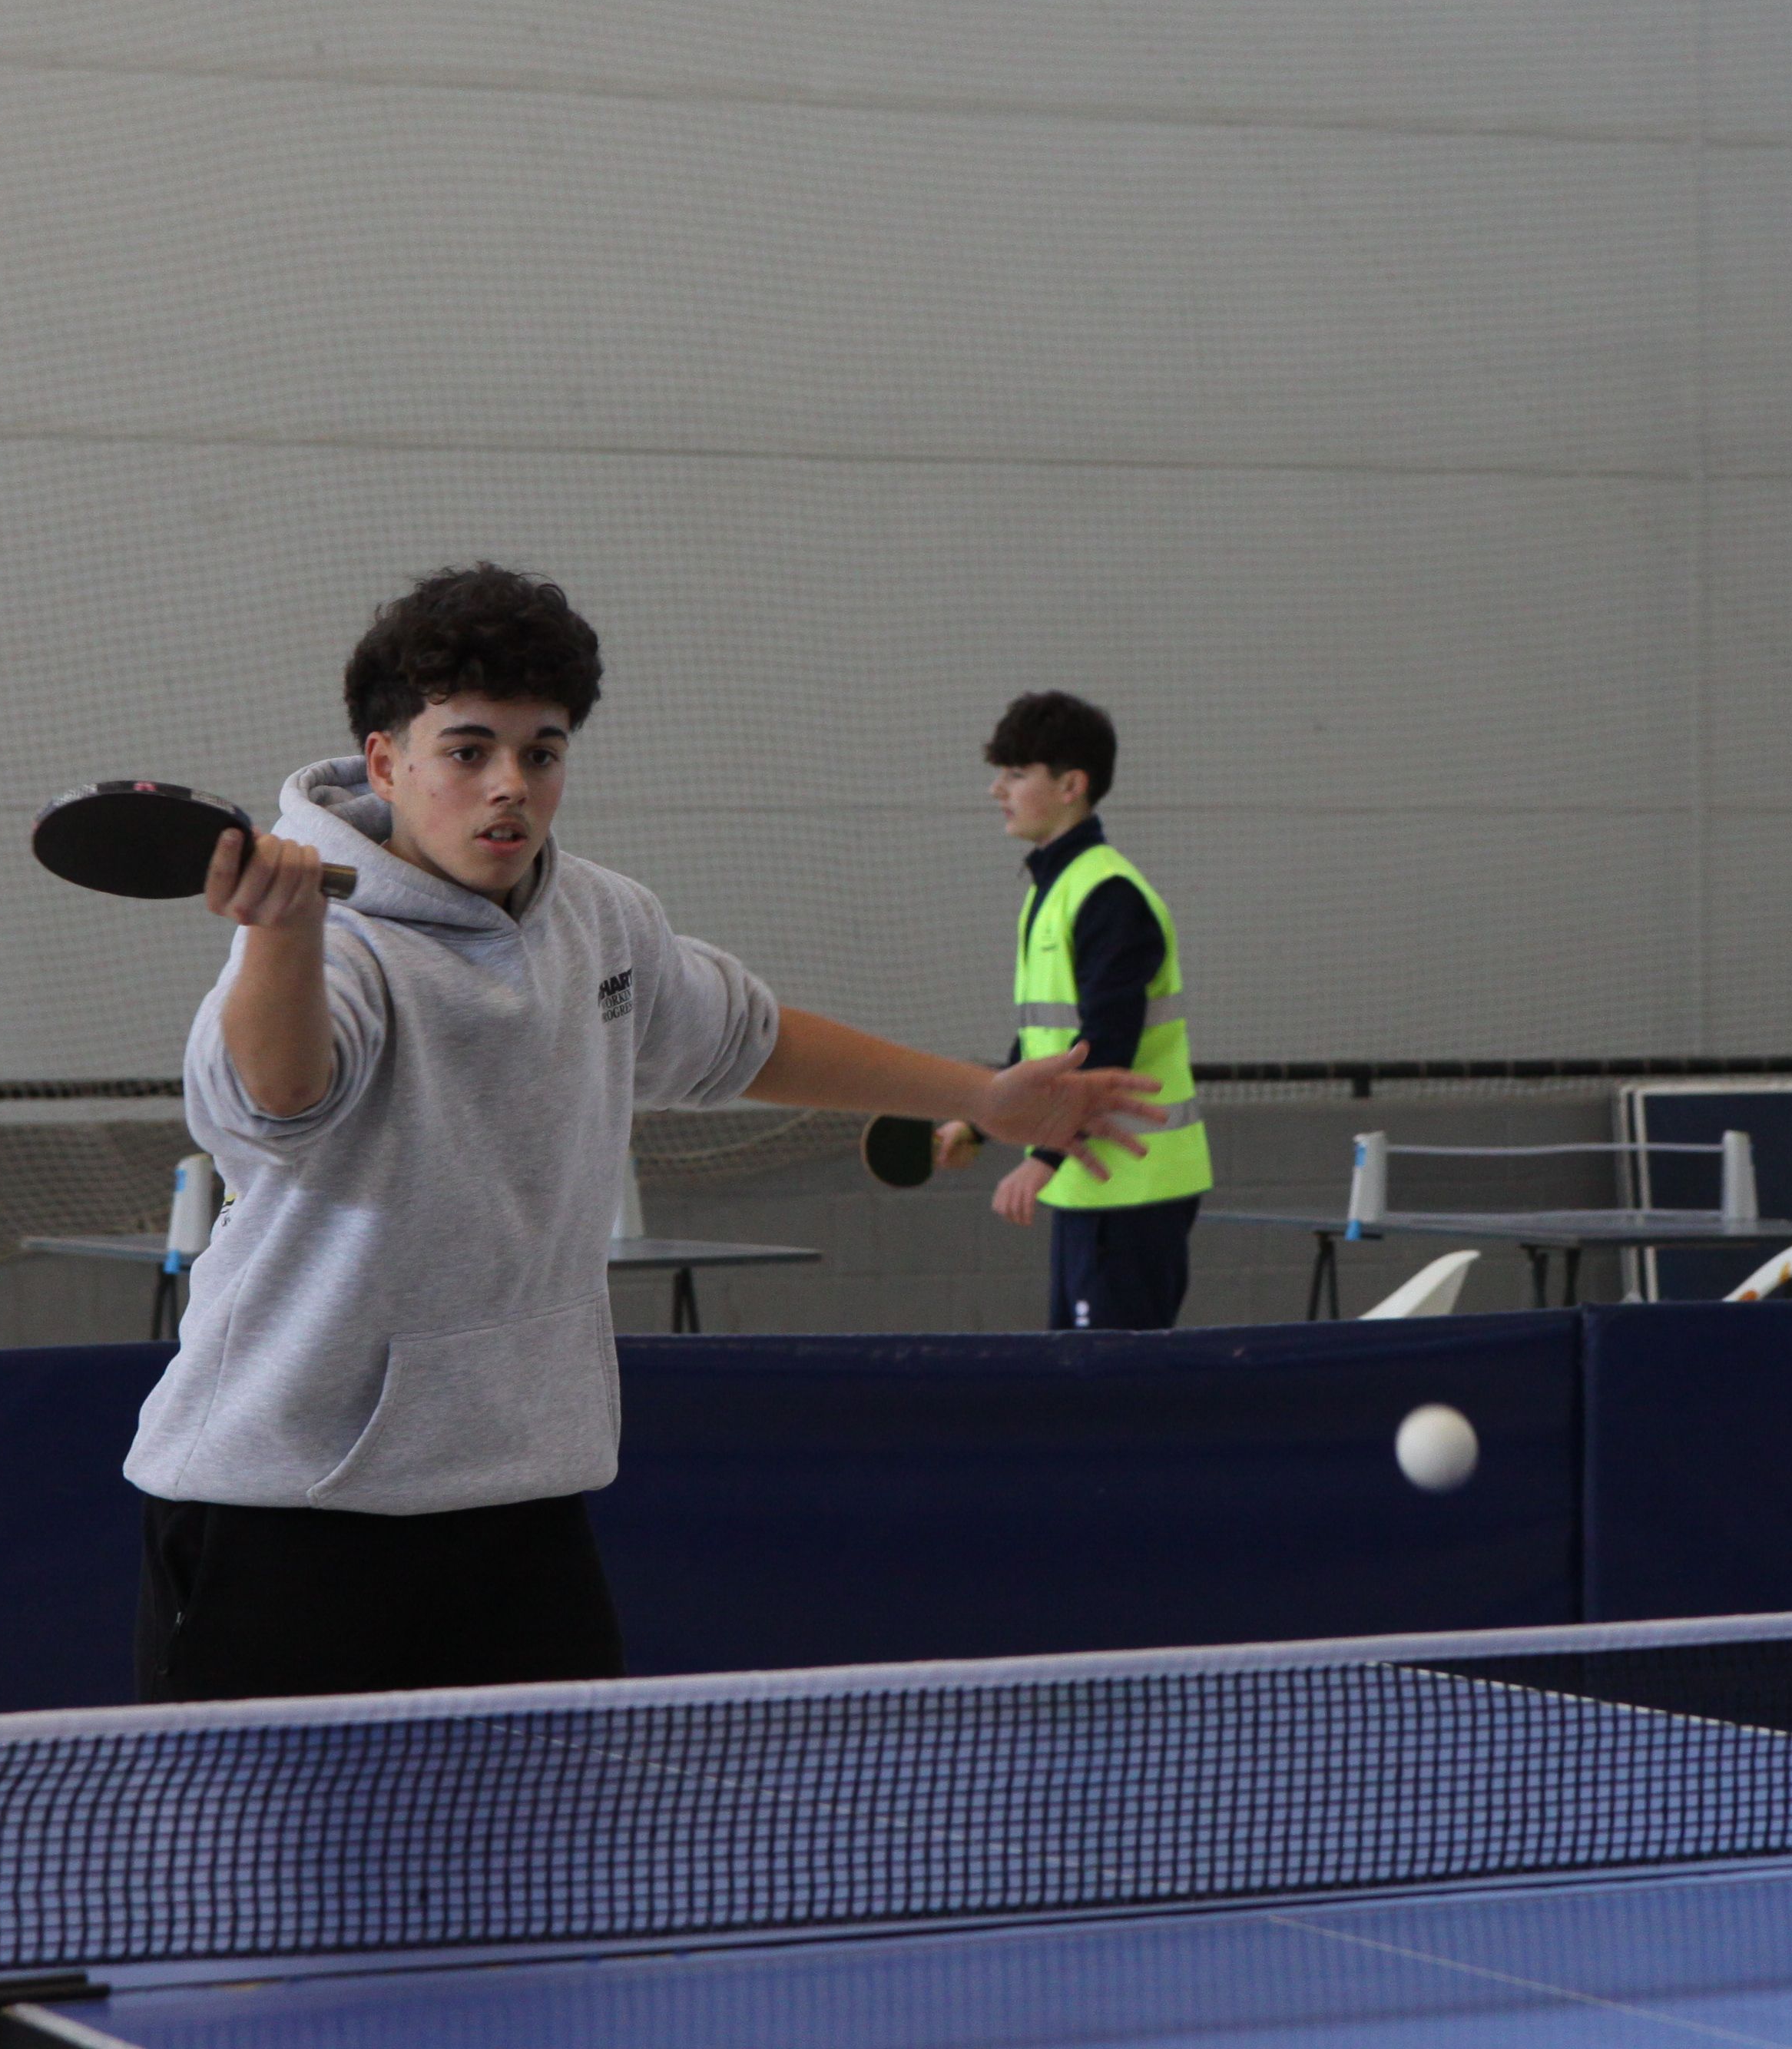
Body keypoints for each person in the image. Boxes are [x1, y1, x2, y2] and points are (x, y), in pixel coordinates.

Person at [128, 567, 1158, 1701]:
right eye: (468, 751)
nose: (509, 786)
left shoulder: (601, 921)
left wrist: (986, 1098)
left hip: (520, 1505)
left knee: (553, 1868)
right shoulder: (341, 941)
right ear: (387, 762)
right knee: (260, 1877)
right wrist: (280, 937)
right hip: (287, 1508)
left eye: (543, 751)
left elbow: (749, 1040)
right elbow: (281, 1108)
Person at [930, 691, 1212, 1329]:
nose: (997, 790)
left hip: (1133, 1185)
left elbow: (1107, 1045)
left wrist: (1043, 1157)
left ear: (1071, 785)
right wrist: (979, 1117)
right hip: (1090, 1183)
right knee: (1081, 1380)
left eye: (1016, 773)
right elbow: (1043, 1044)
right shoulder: (1052, 891)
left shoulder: (1109, 895)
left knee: (1116, 1396)